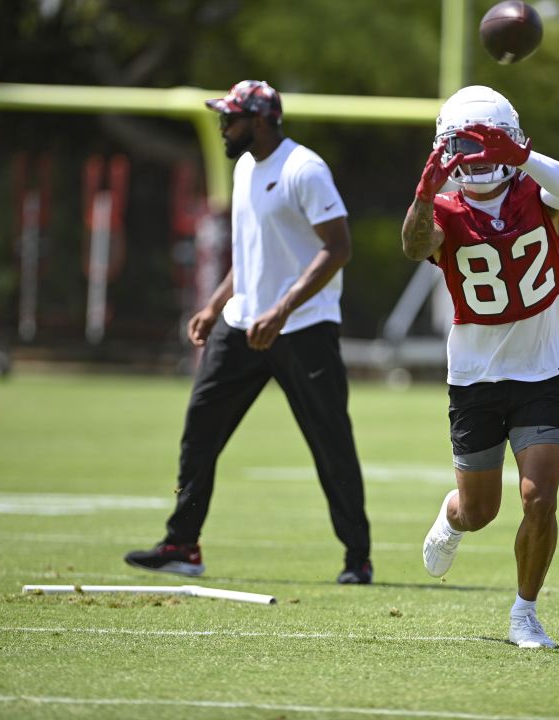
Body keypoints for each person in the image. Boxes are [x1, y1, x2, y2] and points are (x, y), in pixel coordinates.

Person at [125, 80, 373, 584]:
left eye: (230, 119)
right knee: (200, 428)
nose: (222, 128)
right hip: (242, 326)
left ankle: (357, 558)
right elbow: (252, 251)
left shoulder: (305, 169)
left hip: (303, 328)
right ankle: (182, 544)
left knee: (329, 441)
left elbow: (338, 247)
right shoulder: (242, 167)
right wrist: (215, 305)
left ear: (260, 121)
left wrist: (282, 310)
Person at [400, 85, 559, 647]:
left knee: (539, 497)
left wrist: (519, 155)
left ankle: (524, 613)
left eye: (486, 145)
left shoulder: (539, 193)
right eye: (465, 146)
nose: (476, 158)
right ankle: (451, 519)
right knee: (479, 512)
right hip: (477, 377)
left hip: (544, 369)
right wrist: (423, 195)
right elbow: (413, 245)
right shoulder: (446, 211)